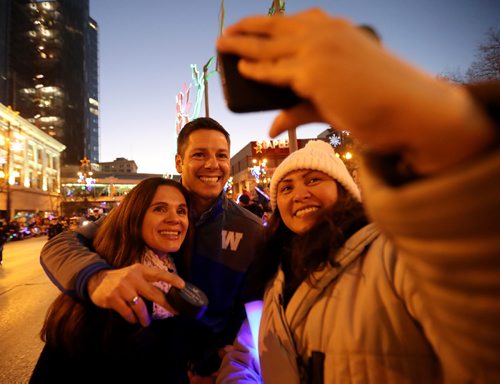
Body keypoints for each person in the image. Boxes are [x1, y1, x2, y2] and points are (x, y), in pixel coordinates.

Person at [215, 8, 500, 383]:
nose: (299, 193)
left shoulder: (394, 256)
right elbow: (242, 359)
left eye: (314, 180)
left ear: (345, 192)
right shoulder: (273, 277)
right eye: (285, 186)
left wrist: (436, 128)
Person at [39, 117, 263, 380]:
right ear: (179, 162)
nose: (212, 164)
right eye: (199, 154)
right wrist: (97, 279)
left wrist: (224, 359)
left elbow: (252, 306)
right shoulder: (143, 209)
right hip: (138, 353)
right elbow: (60, 245)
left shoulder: (251, 229)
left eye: (221, 155)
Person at [31, 177, 218, 383]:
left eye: (181, 211)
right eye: (159, 209)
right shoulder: (107, 289)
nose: (175, 218)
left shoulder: (177, 276)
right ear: (135, 217)